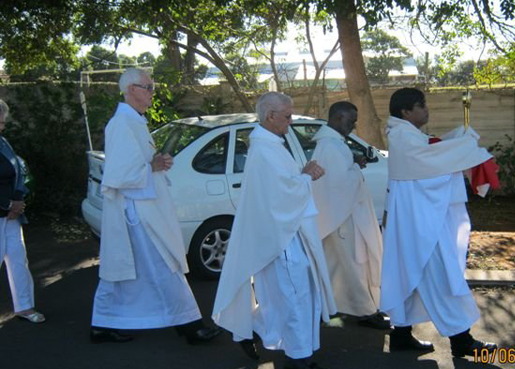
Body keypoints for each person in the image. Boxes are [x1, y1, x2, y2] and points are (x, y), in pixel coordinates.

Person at [90, 68, 220, 344]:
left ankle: (102, 323)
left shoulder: (134, 121)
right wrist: (152, 165)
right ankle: (191, 326)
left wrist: (156, 163)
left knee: (123, 270)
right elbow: (118, 174)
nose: (152, 92)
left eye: (152, 86)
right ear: (131, 90)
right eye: (148, 87)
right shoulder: (121, 124)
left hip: (143, 207)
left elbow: (136, 165)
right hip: (139, 212)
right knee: (164, 265)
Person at [212, 92, 336, 369]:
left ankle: (255, 330)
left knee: (290, 296)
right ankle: (297, 358)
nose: (290, 122)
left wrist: (301, 174)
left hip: (287, 232)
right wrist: (306, 176)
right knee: (293, 295)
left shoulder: (271, 145)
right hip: (281, 239)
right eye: (287, 116)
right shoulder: (264, 149)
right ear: (270, 116)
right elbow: (281, 194)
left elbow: (283, 185)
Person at [380, 88, 498, 358]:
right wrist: (467, 149)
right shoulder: (403, 137)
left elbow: (434, 150)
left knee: (409, 274)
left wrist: (460, 138)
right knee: (441, 276)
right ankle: (462, 341)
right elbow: (433, 165)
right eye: (421, 106)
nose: (426, 110)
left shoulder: (405, 135)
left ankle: (400, 336)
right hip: (422, 224)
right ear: (405, 112)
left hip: (416, 219)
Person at [310, 101, 387, 329]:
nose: (353, 126)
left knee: (340, 266)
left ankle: (328, 307)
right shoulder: (330, 146)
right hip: (341, 217)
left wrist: (353, 164)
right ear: (337, 118)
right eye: (351, 120)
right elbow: (338, 184)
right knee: (354, 264)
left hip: (341, 214)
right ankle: (365, 311)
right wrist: (354, 169)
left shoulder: (332, 144)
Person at [0, 99, 45, 324]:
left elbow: (18, 170)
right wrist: (7, 204)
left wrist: (18, 200)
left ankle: (24, 307)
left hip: (11, 215)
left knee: (18, 260)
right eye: (0, 122)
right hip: (2, 211)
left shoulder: (3, 142)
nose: (2, 126)